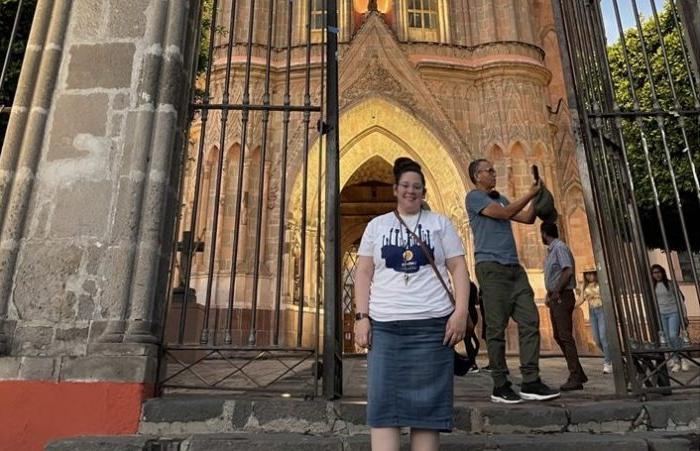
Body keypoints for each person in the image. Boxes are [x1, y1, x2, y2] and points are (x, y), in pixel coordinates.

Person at [354, 157, 470, 451]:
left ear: (424, 191)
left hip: (432, 330)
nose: (410, 191)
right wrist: (361, 317)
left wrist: (461, 312)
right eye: (405, 185)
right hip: (386, 329)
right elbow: (364, 272)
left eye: (416, 187)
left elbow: (458, 269)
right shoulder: (376, 226)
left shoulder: (440, 224)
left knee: (427, 412)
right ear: (395, 189)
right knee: (383, 408)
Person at [465, 158, 559, 404]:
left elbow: (527, 218)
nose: (494, 173)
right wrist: (529, 194)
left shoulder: (502, 198)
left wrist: (540, 197)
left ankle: (530, 380)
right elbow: (504, 214)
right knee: (496, 329)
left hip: (514, 269)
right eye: (490, 170)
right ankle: (500, 384)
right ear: (477, 176)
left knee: (530, 319)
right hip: (491, 269)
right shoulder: (474, 198)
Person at [541, 221, 587, 391]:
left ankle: (575, 376)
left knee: (565, 336)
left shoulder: (559, 248)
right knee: (559, 335)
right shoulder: (552, 250)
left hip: (563, 295)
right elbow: (555, 274)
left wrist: (557, 291)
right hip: (556, 295)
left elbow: (567, 270)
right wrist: (549, 292)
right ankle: (578, 372)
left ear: (544, 233)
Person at [651, 264, 690, 372]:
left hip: (674, 312)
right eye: (654, 272)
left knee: (673, 336)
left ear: (662, 272)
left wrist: (684, 315)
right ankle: (676, 361)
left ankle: (683, 358)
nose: (657, 274)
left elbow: (680, 299)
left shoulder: (670, 284)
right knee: (667, 338)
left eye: (658, 272)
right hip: (662, 314)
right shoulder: (652, 286)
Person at [577, 269, 613, 374]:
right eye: (587, 274)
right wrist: (570, 308)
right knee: (596, 339)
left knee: (603, 337)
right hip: (592, 311)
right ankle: (612, 356)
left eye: (591, 273)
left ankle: (608, 362)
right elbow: (581, 299)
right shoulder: (585, 286)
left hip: (602, 309)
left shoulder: (601, 283)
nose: (589, 276)